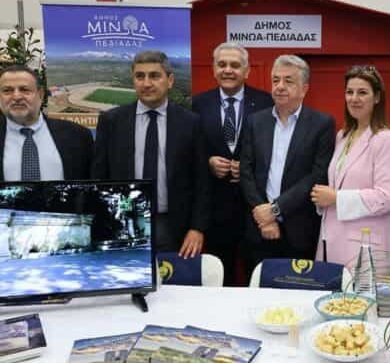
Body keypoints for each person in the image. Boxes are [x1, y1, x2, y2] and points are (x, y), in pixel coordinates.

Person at [92, 51, 209, 257]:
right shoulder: (112, 121)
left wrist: (197, 228)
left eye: (154, 76)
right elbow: (99, 177)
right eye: (140, 76)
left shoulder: (190, 122)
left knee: (173, 277)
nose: (146, 83)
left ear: (170, 80)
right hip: (124, 222)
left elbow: (202, 181)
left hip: (174, 227)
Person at [240, 55, 334, 269]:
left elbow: (317, 176)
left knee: (298, 288)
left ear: (304, 89)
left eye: (288, 81)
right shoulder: (255, 121)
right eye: (276, 80)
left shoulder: (321, 124)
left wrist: (275, 209)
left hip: (299, 230)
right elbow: (246, 171)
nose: (280, 86)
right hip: (259, 228)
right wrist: (264, 216)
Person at [190, 43, 273, 284]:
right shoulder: (196, 104)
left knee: (257, 274)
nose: (228, 70)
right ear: (214, 69)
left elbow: (276, 150)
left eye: (235, 65)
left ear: (247, 71)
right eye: (222, 64)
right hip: (214, 208)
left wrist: (248, 167)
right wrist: (207, 162)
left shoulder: (267, 102)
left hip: (254, 207)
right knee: (219, 274)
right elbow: (187, 150)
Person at [311, 65, 390, 274]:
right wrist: (325, 199)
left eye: (362, 93)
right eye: (349, 92)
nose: (354, 98)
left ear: (377, 97)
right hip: (331, 240)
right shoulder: (343, 136)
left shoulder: (387, 139)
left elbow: (387, 197)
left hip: (366, 248)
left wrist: (336, 198)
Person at [0, 66, 93, 182]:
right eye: (7, 91)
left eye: (24, 90)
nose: (16, 96)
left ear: (40, 95)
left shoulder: (78, 137)